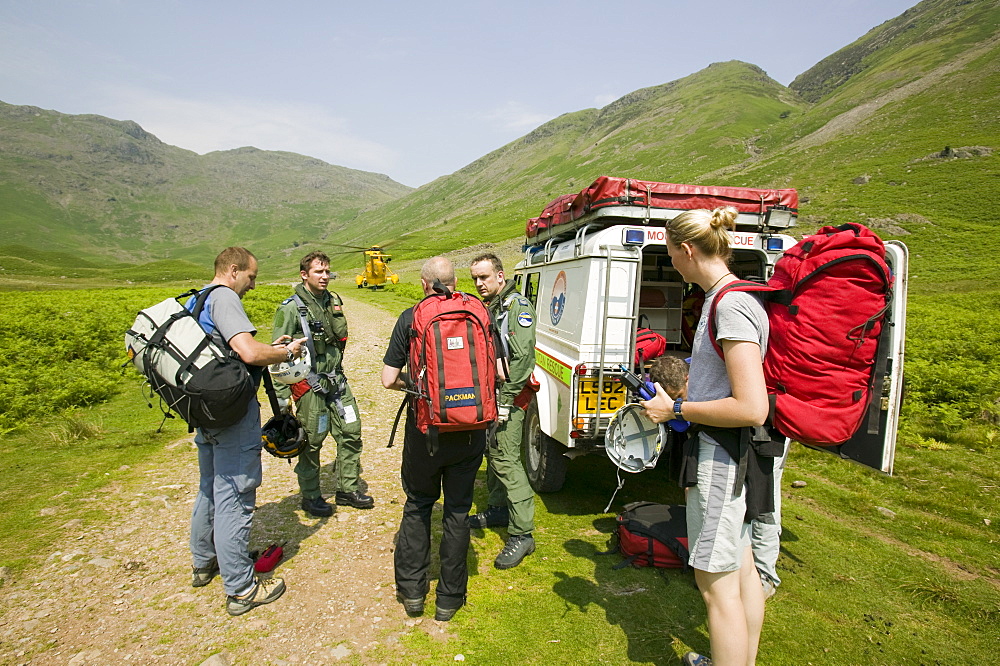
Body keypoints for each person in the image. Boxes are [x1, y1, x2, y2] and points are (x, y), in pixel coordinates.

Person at [640, 208, 770, 666]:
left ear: (687, 250)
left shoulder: (728, 306)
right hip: (742, 456)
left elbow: (753, 406)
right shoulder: (732, 298)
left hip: (722, 458)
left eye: (671, 253)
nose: (671, 261)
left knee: (715, 586)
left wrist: (673, 407)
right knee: (743, 569)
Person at [189, 247, 306, 616]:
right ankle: (241, 588)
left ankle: (205, 561)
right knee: (235, 495)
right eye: (251, 277)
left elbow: (232, 353)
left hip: (206, 411)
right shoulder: (223, 297)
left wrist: (267, 347)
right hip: (232, 416)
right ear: (234, 270)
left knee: (209, 487)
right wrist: (285, 354)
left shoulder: (197, 299)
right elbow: (249, 354)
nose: (252, 285)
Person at [381, 257, 487, 622]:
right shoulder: (478, 312)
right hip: (472, 430)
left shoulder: (411, 317)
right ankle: (449, 600)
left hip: (427, 430)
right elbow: (501, 372)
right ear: (455, 281)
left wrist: (421, 390)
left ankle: (412, 594)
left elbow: (387, 378)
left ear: (425, 284)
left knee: (419, 504)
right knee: (457, 511)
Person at [272, 250, 374, 516]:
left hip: (337, 381)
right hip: (309, 386)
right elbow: (276, 357)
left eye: (327, 271)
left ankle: (347, 489)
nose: (325, 276)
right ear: (304, 275)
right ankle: (311, 496)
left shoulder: (334, 301)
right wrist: (282, 398)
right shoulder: (290, 308)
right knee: (311, 441)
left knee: (351, 431)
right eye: (319, 271)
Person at [468, 253, 538, 569]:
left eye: (484, 277)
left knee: (507, 459)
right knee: (493, 452)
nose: (479, 283)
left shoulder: (517, 308)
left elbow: (523, 360)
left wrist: (506, 400)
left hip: (510, 397)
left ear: (500, 275)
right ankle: (498, 508)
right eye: (475, 279)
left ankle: (522, 533)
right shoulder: (493, 308)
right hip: (494, 395)